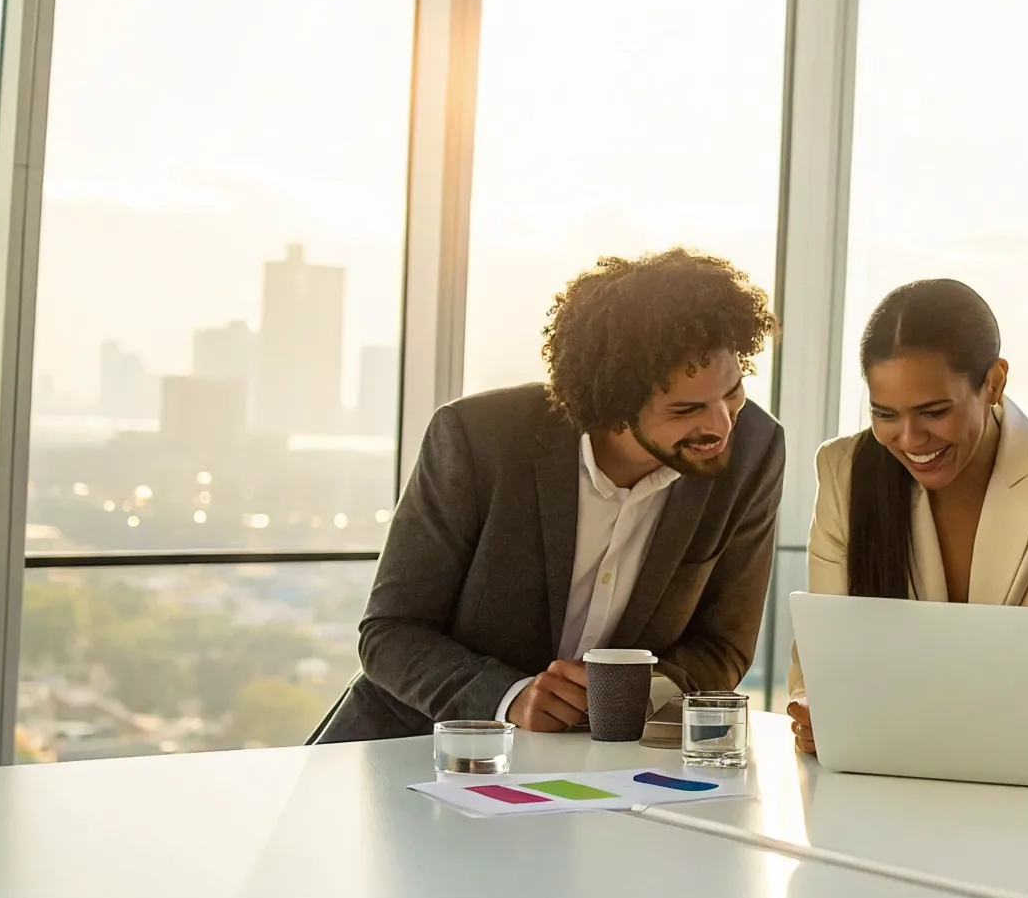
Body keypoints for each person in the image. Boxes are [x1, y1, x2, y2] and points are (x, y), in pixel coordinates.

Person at [314, 249, 785, 742]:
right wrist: (509, 697)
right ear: (616, 406)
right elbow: (391, 633)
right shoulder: (479, 440)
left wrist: (632, 699)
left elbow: (723, 645)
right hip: (414, 747)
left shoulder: (754, 450)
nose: (720, 425)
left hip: (600, 768)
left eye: (732, 393)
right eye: (687, 408)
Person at [787, 279, 1028, 754]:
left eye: (932, 412)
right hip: (884, 768)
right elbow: (820, 655)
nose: (909, 439)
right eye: (885, 414)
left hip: (1027, 762)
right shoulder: (845, 470)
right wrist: (812, 707)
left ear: (994, 382)